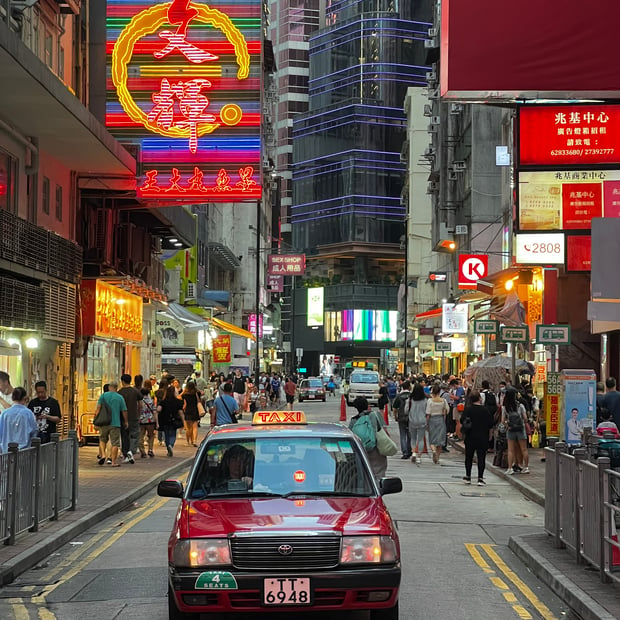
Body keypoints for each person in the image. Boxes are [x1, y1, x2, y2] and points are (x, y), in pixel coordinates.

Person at [349, 396, 387, 482]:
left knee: (364, 472)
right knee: (379, 472)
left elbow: (350, 435)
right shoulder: (376, 415)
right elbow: (384, 431)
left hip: (362, 449)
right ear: (367, 405)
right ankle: (378, 489)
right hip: (376, 449)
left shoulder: (354, 420)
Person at [460, 391, 494, 486]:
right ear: (479, 398)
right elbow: (490, 424)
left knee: (469, 457)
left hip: (470, 436)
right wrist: (490, 436)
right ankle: (480, 478)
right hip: (482, 436)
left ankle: (468, 476)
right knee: (481, 457)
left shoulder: (468, 410)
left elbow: (462, 421)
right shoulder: (485, 410)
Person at [95, 382, 128, 467]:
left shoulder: (103, 396)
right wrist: (126, 421)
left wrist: (95, 420)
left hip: (104, 422)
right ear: (116, 388)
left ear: (109, 387)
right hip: (115, 423)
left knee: (102, 439)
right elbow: (124, 411)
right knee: (115, 443)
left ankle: (103, 455)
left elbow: (98, 409)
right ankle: (113, 462)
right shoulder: (120, 397)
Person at [0, 387, 37, 452]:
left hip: (6, 452)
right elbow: (34, 431)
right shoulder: (28, 413)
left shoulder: (4, 414)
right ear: (25, 398)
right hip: (24, 452)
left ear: (12, 398)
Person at [502, 388, 529, 474]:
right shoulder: (520, 405)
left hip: (511, 430)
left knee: (510, 450)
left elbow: (503, 420)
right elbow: (525, 418)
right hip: (521, 429)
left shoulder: (505, 407)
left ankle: (510, 468)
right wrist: (522, 423)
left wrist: (508, 425)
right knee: (524, 449)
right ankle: (526, 467)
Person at [118, 374, 142, 464]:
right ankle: (131, 451)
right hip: (134, 417)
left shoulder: (119, 392)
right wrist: (138, 413)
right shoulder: (135, 391)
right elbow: (141, 405)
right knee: (135, 435)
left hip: (123, 418)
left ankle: (125, 454)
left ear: (122, 381)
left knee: (124, 437)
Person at [156, 385, 184, 457]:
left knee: (166, 434)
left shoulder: (163, 401)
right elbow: (180, 412)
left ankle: (168, 446)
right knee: (173, 434)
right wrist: (183, 421)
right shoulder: (178, 402)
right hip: (174, 420)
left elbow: (158, 409)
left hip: (164, 419)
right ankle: (171, 445)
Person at [426, 383, 449, 464]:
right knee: (440, 439)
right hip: (440, 419)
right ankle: (438, 458)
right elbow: (447, 410)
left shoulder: (430, 401)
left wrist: (427, 423)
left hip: (432, 419)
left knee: (432, 439)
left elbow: (428, 413)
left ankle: (433, 450)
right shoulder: (443, 401)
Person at [406, 383, 428, 465]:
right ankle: (419, 457)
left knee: (413, 438)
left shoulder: (410, 399)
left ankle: (413, 452)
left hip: (412, 420)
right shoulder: (425, 400)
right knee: (421, 438)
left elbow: (406, 410)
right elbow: (427, 411)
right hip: (422, 420)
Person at [392, 381, 411, 459]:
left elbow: (395, 408)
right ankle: (409, 450)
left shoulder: (399, 396)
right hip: (410, 418)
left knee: (402, 435)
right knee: (410, 435)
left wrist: (395, 416)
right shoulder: (411, 396)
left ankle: (405, 452)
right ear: (409, 387)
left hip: (401, 417)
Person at [138, 381, 157, 458]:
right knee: (151, 435)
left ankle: (142, 451)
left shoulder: (139, 401)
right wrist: (157, 422)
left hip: (141, 420)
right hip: (150, 420)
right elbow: (154, 411)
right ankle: (150, 449)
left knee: (140, 436)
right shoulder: (151, 401)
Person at [181, 380, 200, 447]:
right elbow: (199, 400)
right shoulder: (196, 393)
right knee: (195, 427)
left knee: (188, 428)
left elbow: (179, 398)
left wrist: (183, 392)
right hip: (195, 410)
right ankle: (194, 441)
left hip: (188, 411)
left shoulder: (185, 395)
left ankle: (188, 441)